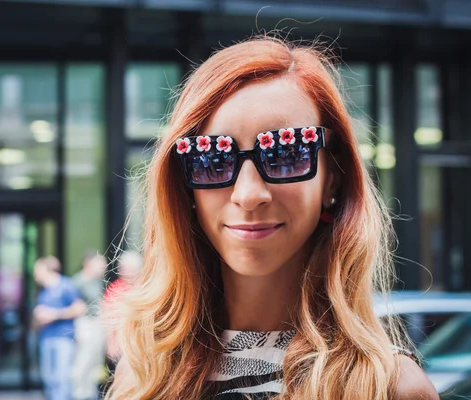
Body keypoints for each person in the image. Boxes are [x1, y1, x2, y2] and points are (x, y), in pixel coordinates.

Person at [105, 37, 439, 400]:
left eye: (286, 154)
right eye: (211, 158)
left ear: (333, 178)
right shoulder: (143, 376)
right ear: (185, 188)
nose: (248, 194)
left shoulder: (390, 388)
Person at [33, 256, 86, 400]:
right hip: (46, 338)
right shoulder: (43, 291)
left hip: (63, 339)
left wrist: (54, 314)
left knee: (62, 378)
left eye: (37, 269)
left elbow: (80, 308)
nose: (35, 274)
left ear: (47, 270)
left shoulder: (66, 286)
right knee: (49, 379)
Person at [71, 251, 108, 400]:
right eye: (100, 263)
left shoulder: (99, 281)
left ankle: (91, 394)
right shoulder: (78, 282)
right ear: (88, 264)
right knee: (83, 362)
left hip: (99, 324)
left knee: (95, 362)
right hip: (86, 324)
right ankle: (80, 394)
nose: (104, 266)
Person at [102, 251, 142, 366]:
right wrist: (111, 343)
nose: (122, 271)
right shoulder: (114, 289)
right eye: (121, 268)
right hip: (122, 342)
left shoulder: (145, 287)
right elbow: (108, 318)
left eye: (127, 268)